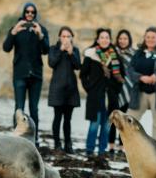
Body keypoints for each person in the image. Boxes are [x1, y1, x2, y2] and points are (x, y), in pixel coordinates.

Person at [2, 2, 49, 145]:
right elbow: (6, 48)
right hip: (20, 74)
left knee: (34, 109)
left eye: (32, 12)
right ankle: (16, 137)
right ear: (24, 13)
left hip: (36, 75)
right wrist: (14, 31)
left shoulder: (41, 29)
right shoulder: (16, 29)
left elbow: (46, 50)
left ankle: (34, 139)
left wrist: (40, 35)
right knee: (19, 107)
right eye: (27, 12)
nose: (30, 14)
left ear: (35, 14)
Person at [80, 28, 124, 156]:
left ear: (110, 40)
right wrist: (89, 88)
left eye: (107, 37)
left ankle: (102, 151)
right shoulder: (91, 54)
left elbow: (122, 77)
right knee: (94, 124)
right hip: (95, 95)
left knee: (106, 126)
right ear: (98, 39)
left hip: (110, 97)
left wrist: (116, 90)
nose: (104, 39)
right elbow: (83, 74)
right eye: (102, 37)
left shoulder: (115, 56)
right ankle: (89, 150)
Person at [47, 26, 81, 153]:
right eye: (63, 36)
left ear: (72, 38)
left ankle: (68, 144)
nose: (66, 39)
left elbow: (78, 66)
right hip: (57, 89)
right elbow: (51, 63)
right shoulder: (53, 49)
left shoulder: (75, 50)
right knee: (57, 117)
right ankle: (57, 143)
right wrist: (61, 50)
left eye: (68, 36)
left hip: (71, 90)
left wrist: (71, 53)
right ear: (59, 37)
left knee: (68, 119)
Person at [108, 29, 135, 155]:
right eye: (120, 39)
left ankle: (121, 146)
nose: (122, 41)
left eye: (125, 39)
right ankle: (111, 146)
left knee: (124, 120)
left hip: (129, 90)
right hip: (114, 89)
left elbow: (135, 72)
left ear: (129, 40)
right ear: (117, 40)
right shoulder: (112, 53)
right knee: (114, 119)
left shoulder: (134, 54)